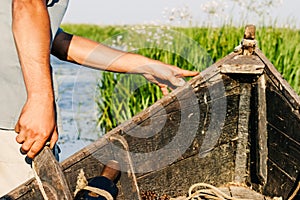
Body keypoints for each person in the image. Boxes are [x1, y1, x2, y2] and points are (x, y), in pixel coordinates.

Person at [0, 0, 199, 196]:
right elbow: (28, 4)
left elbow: (53, 38)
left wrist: (143, 65)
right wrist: (39, 100)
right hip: (11, 117)